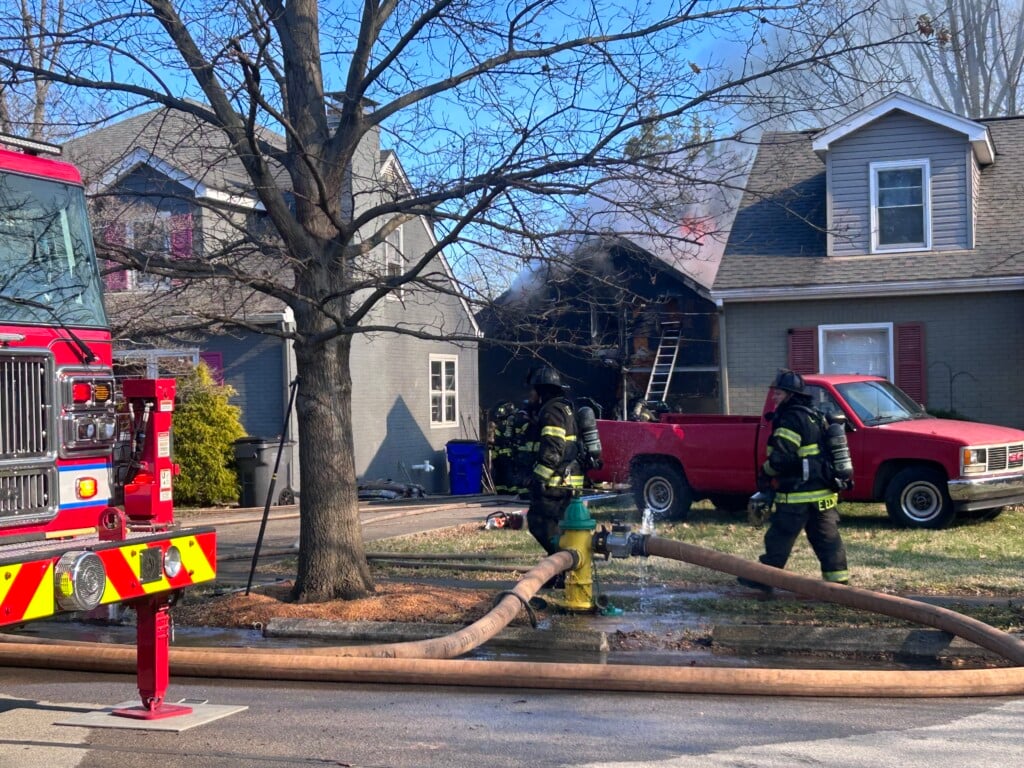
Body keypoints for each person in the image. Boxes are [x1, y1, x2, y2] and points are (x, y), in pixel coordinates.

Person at [740, 369, 850, 592]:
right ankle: (839, 585)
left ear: (790, 395)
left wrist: (765, 472)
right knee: (827, 540)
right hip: (823, 494)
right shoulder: (814, 414)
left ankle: (764, 579)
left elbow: (782, 458)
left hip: (797, 494)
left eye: (778, 393)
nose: (774, 397)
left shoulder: (790, 418)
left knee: (779, 537)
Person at [526, 366, 582, 560]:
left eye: (533, 390)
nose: (530, 395)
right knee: (558, 526)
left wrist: (539, 478)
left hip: (556, 481)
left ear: (542, 390)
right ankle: (562, 564)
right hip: (566, 480)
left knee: (539, 522)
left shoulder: (551, 411)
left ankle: (561, 562)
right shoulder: (565, 408)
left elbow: (553, 448)